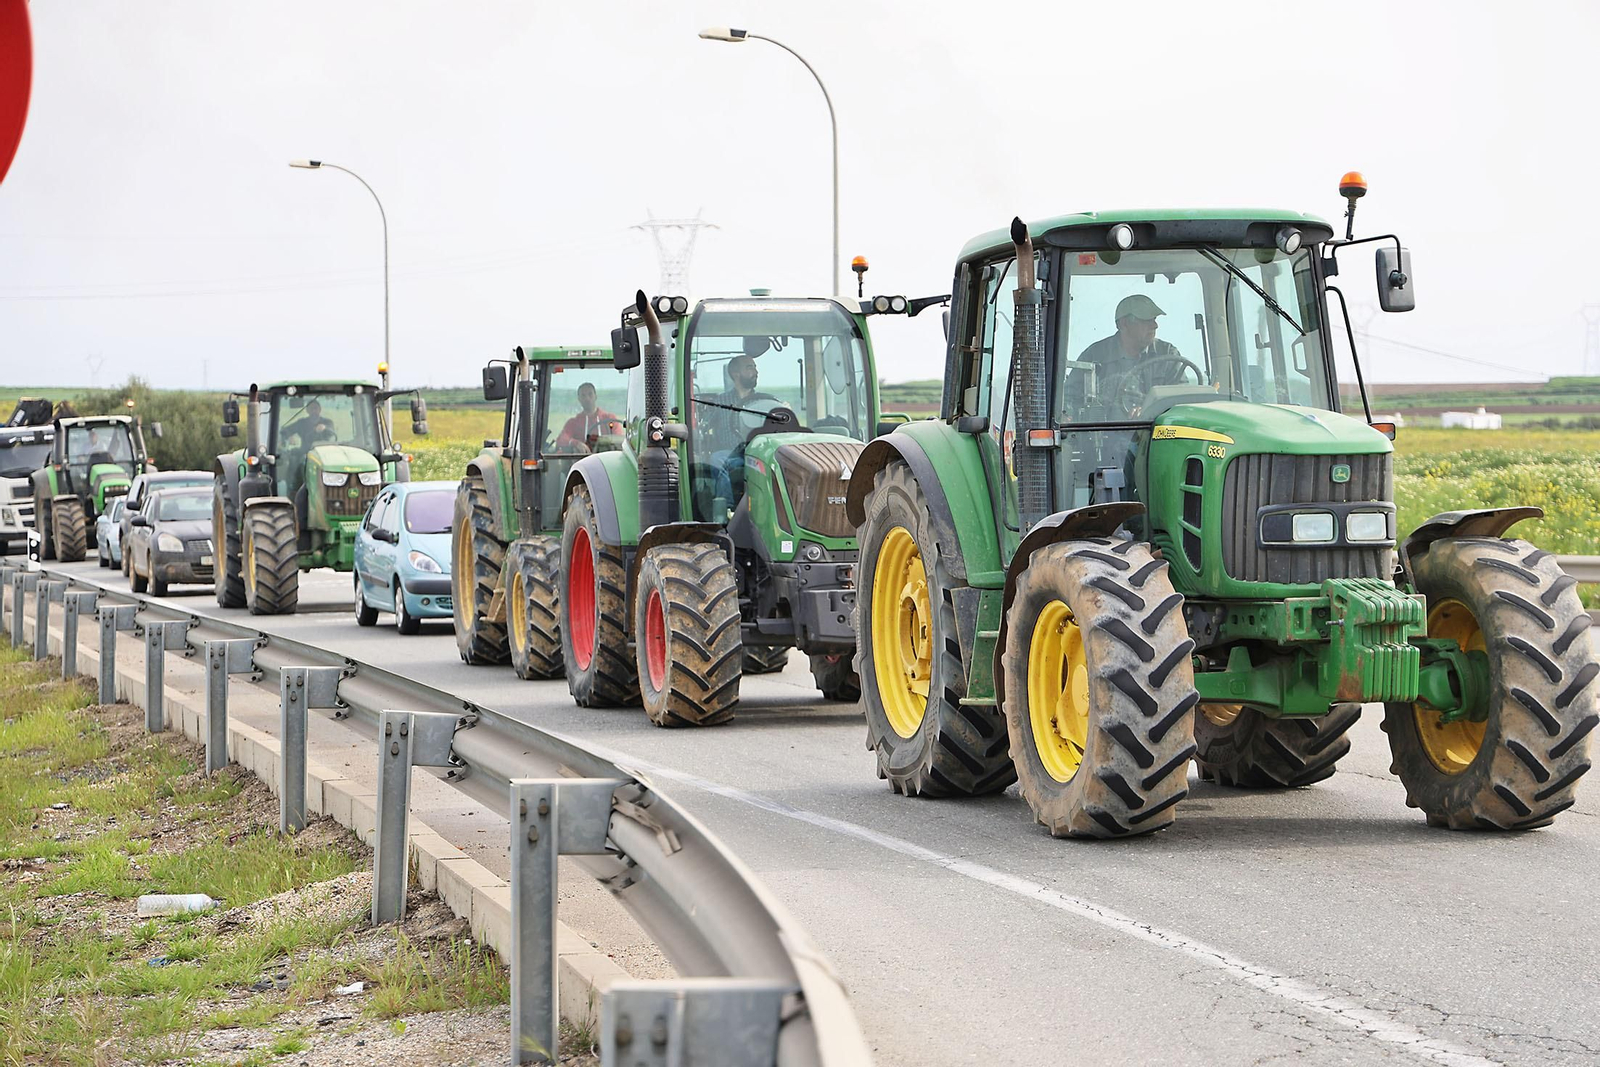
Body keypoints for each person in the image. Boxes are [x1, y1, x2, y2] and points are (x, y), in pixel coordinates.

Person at [1075, 294, 1193, 415]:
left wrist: (1151, 409)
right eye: (1146, 320)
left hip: (1154, 426)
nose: (1155, 325)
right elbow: (1069, 398)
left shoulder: (1167, 355)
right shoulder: (1094, 356)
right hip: (1104, 426)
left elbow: (1181, 400)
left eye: (1154, 319)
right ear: (1124, 324)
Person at [553, 382, 620, 453]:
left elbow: (619, 440)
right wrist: (576, 443)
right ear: (579, 399)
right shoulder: (573, 422)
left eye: (590, 394)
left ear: (595, 396)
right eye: (583, 395)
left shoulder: (610, 419)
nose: (587, 398)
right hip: (582, 459)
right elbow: (562, 439)